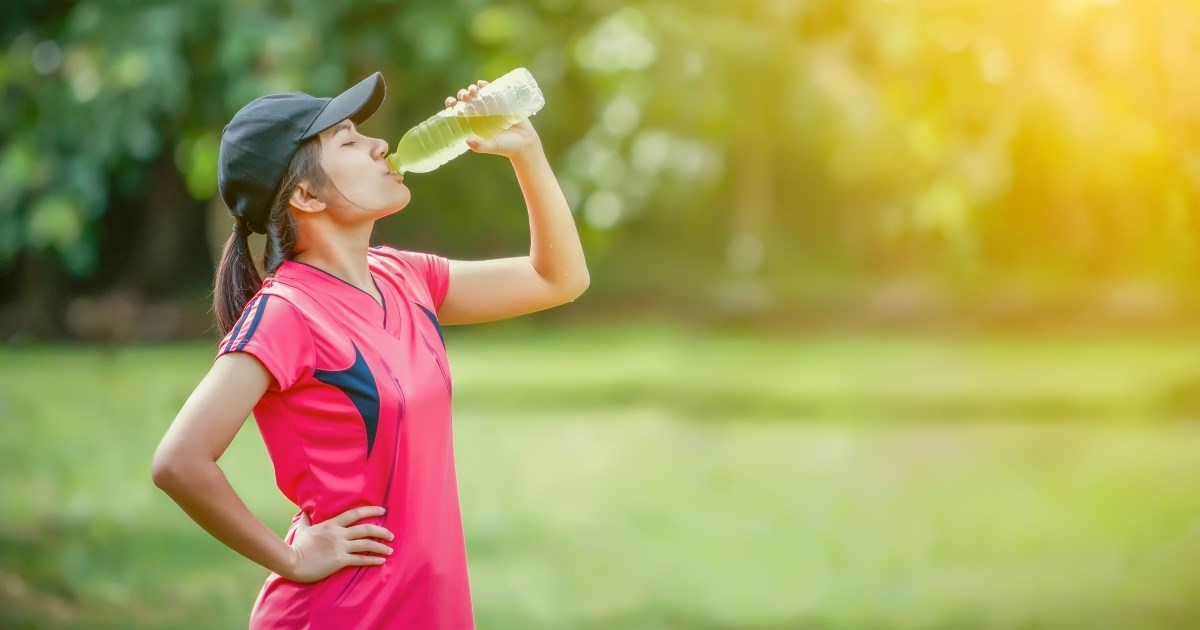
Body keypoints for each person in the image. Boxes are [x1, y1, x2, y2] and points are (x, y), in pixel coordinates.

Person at [150, 71, 588, 629]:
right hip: (345, 612)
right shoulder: (287, 312)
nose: (380, 144)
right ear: (305, 194)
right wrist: (292, 559)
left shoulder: (404, 277)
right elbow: (179, 462)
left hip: (431, 608)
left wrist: (526, 152)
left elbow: (558, 279)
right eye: (349, 142)